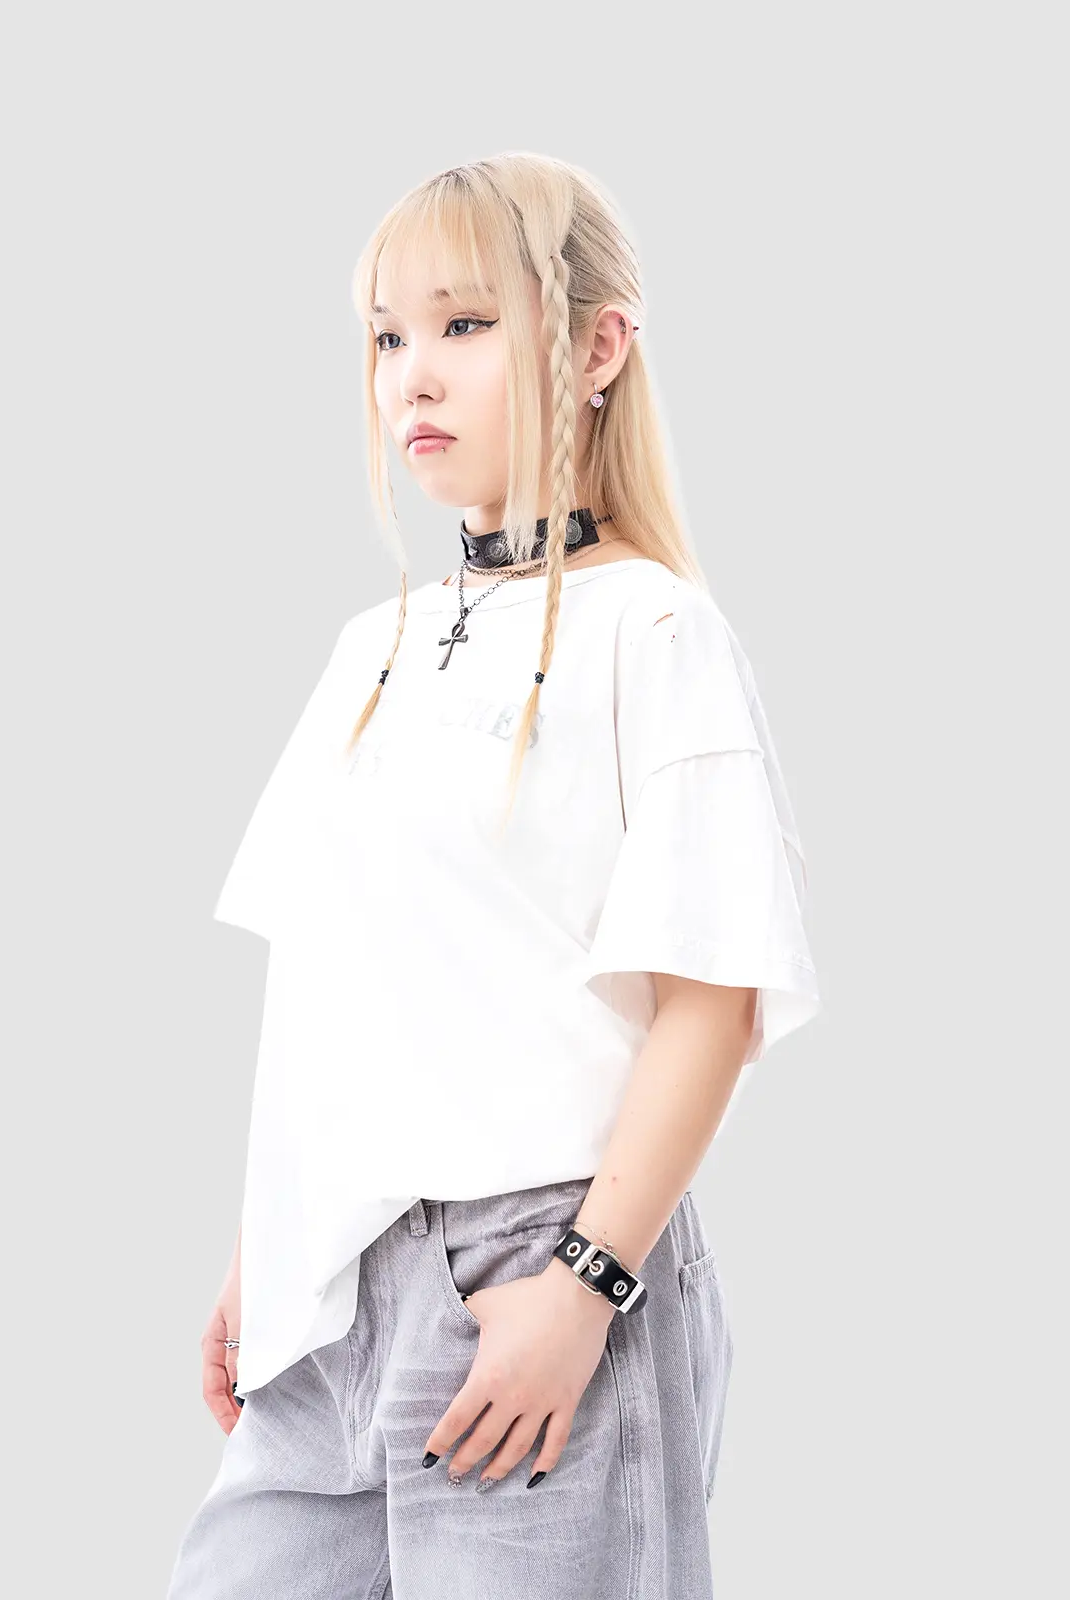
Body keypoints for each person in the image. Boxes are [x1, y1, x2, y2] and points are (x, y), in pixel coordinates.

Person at [164, 152, 821, 1600]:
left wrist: (587, 1285)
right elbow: (337, 982)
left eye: (464, 324)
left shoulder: (656, 636)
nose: (412, 373)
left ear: (597, 346)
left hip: (543, 1259)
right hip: (336, 1286)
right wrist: (261, 1254)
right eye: (387, 334)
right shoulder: (375, 647)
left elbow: (712, 1002)